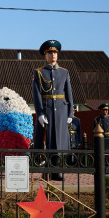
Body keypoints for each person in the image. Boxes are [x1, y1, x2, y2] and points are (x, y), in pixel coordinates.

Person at [32, 40, 74, 181]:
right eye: (50, 52)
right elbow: (37, 94)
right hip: (47, 110)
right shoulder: (38, 72)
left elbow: (69, 94)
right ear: (45, 55)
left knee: (59, 142)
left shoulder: (64, 72)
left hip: (61, 111)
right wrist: (40, 113)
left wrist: (70, 113)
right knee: (47, 141)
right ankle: (46, 170)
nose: (53, 55)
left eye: (55, 52)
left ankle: (55, 171)